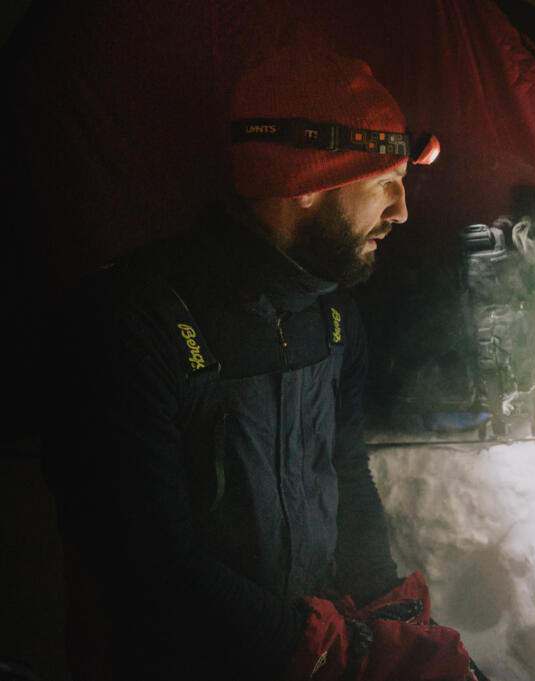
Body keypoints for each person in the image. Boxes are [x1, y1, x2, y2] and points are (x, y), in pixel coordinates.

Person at [43, 47, 477, 681]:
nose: (402, 210)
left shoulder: (332, 319)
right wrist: (339, 654)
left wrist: (389, 608)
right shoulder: (133, 323)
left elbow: (346, 474)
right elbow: (145, 566)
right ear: (305, 184)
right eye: (384, 182)